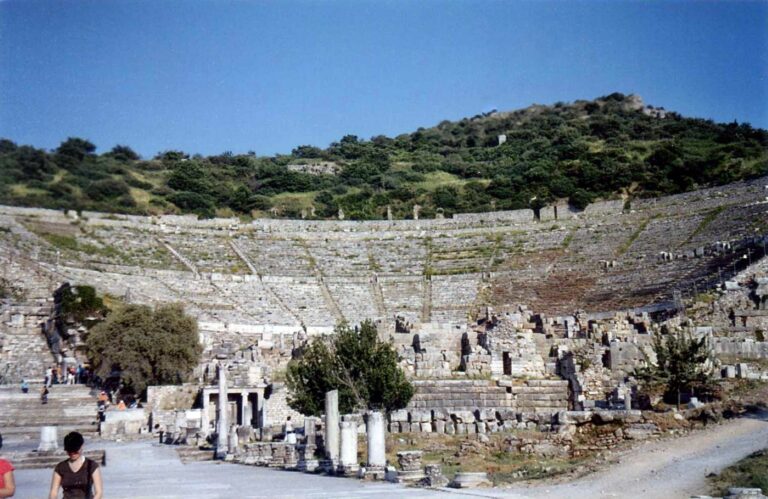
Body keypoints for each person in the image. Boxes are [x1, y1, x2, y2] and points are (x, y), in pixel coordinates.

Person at [49, 431, 102, 499]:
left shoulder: (92, 466)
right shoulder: (60, 467)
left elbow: (99, 492)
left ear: (81, 446)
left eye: (75, 451)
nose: (72, 453)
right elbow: (53, 493)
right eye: (69, 451)